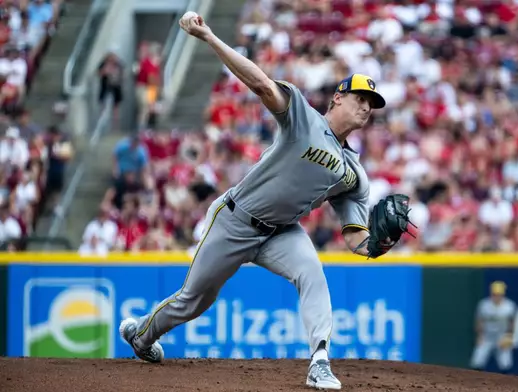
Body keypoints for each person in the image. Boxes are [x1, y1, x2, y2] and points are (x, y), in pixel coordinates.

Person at [119, 12, 397, 391]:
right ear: (337, 97)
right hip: (235, 218)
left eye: (372, 103)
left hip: (283, 232)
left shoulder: (354, 174)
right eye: (360, 98)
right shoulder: (303, 117)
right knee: (193, 300)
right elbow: (262, 84)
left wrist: (377, 245)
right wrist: (210, 37)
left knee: (313, 275)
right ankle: (142, 335)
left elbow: (355, 238)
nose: (366, 107)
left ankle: (319, 361)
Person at [470, 281, 517, 374]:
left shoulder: (509, 306)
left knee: (505, 364)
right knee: (477, 361)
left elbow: (512, 322)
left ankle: (506, 386)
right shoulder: (484, 305)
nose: (496, 297)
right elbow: (479, 321)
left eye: (499, 294)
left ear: (503, 294)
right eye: (494, 294)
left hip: (501, 337)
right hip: (487, 336)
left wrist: (509, 336)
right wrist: (479, 336)